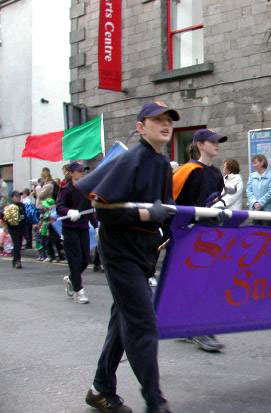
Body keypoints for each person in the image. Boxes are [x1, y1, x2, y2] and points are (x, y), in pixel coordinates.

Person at [76, 101, 178, 413]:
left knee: (123, 320)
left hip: (143, 250)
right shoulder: (132, 158)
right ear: (140, 126)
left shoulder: (161, 163)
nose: (165, 124)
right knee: (143, 323)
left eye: (169, 120)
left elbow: (165, 211)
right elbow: (103, 208)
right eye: (156, 119)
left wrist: (192, 222)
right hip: (120, 251)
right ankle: (155, 403)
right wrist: (149, 212)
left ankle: (100, 388)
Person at [173, 129, 227, 353]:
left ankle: (188, 325)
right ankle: (198, 328)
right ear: (200, 145)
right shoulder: (186, 171)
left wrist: (219, 209)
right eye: (213, 141)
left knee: (206, 280)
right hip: (190, 233)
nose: (217, 145)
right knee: (197, 280)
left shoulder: (215, 173)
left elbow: (216, 199)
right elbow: (173, 202)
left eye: (218, 142)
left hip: (210, 232)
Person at [56, 161, 98, 304]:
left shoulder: (86, 189)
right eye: (79, 170)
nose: (82, 173)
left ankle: (71, 279)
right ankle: (79, 291)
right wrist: (69, 211)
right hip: (69, 229)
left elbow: (90, 211)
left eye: (83, 171)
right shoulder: (65, 189)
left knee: (85, 260)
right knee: (75, 260)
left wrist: (96, 226)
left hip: (83, 228)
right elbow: (59, 207)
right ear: (72, 172)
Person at [246, 154, 271, 225]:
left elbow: (270, 192)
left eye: (255, 163)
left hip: (267, 211)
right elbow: (249, 191)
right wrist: (255, 203)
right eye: (253, 163)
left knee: (267, 232)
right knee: (256, 232)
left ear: (262, 162)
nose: (253, 165)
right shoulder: (252, 176)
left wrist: (260, 203)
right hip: (255, 210)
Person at [1, 191, 26, 268]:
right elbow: (2, 216)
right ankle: (17, 262)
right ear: (12, 197)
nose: (18, 197)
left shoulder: (22, 205)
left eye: (19, 196)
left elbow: (24, 216)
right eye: (16, 196)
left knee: (19, 245)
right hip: (13, 228)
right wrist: (6, 225)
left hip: (21, 227)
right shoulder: (9, 206)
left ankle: (16, 260)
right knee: (17, 244)